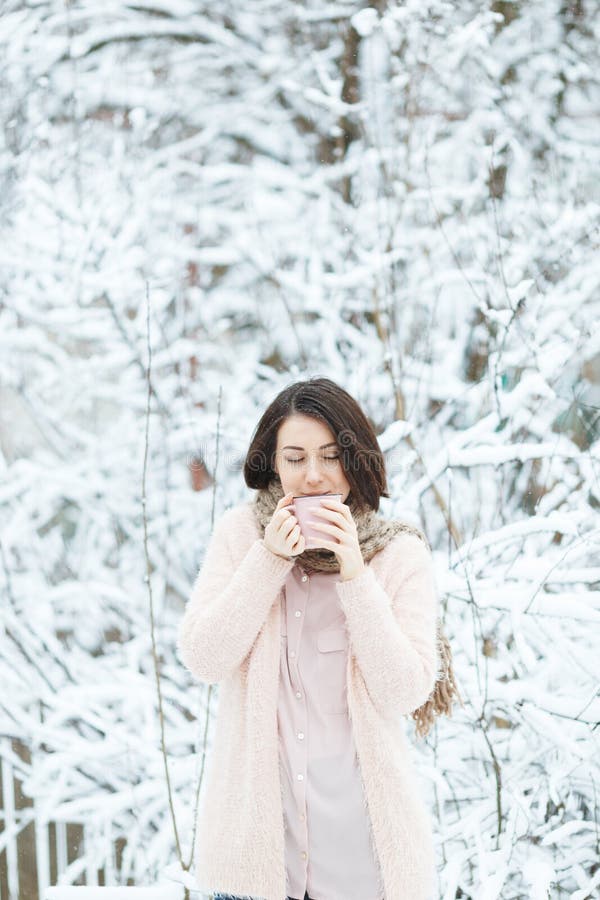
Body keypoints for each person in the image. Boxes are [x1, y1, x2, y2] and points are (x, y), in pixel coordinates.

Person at [177, 377, 461, 900]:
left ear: (356, 462)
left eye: (331, 456)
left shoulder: (397, 555)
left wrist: (355, 574)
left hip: (365, 870)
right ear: (272, 465)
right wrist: (268, 561)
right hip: (254, 870)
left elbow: (405, 691)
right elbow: (204, 657)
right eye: (295, 458)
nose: (313, 476)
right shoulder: (241, 538)